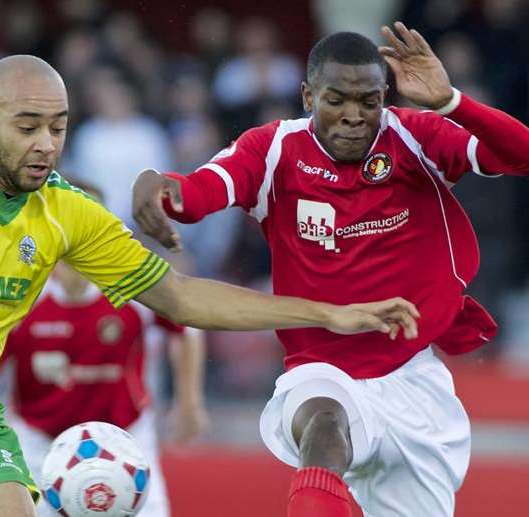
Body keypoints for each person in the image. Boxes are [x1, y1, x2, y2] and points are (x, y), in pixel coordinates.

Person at [0, 54, 419, 517]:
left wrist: (327, 312)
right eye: (26, 126)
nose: (45, 144)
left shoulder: (69, 211)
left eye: (57, 127)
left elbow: (183, 298)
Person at [132, 22, 529, 517]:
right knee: (323, 426)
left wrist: (449, 100)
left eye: (368, 102)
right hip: (322, 371)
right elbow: (198, 193)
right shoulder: (273, 150)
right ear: (307, 95)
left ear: (385, 97)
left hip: (411, 379)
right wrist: (159, 183)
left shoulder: (413, 134)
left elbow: (520, 154)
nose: (353, 117)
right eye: (335, 100)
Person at [0, 181, 208, 517]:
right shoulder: (20, 296)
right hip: (40, 443)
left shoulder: (132, 288)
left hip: (124, 440)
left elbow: (188, 328)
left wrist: (189, 401)